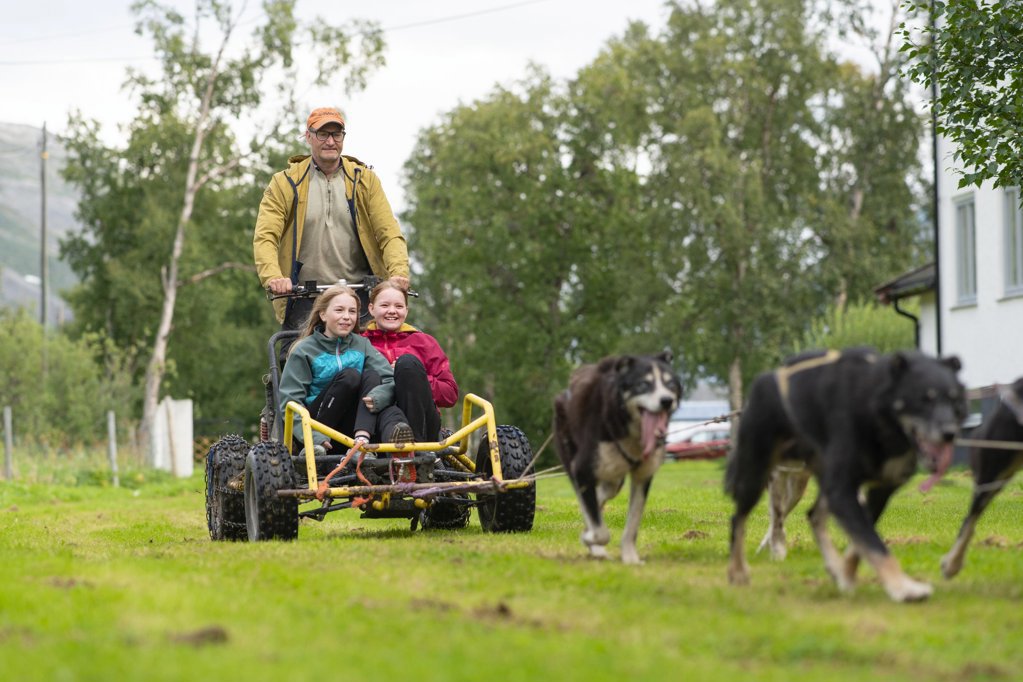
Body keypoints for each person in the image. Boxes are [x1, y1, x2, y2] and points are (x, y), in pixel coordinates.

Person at [253, 106, 411, 329]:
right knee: (296, 357)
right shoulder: (285, 182)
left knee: (374, 360)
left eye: (336, 134)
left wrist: (398, 274)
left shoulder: (364, 180)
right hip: (303, 297)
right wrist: (273, 278)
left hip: (359, 295)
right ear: (308, 137)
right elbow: (266, 237)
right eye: (323, 134)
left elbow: (389, 233)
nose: (330, 141)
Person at [278, 284, 413, 456]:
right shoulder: (304, 350)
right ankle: (316, 449)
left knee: (371, 376)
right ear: (323, 314)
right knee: (351, 376)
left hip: (352, 428)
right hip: (316, 427)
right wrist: (312, 436)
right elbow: (289, 402)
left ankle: (363, 444)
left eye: (352, 311)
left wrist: (380, 396)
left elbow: (389, 379)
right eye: (339, 310)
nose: (346, 317)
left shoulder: (362, 344)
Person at [363, 280, 459, 442]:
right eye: (385, 305)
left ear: (406, 311)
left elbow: (450, 395)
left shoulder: (424, 342)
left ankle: (416, 448)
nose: (392, 311)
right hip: (373, 424)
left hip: (422, 426)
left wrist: (416, 378)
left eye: (399, 306)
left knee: (407, 364)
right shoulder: (360, 343)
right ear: (371, 309)